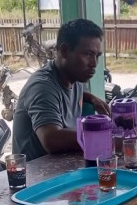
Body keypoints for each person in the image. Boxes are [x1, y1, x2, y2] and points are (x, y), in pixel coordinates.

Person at [13, 18, 110, 161]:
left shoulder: (74, 78)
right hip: (36, 177)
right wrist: (105, 135)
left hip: (61, 167)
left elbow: (63, 95)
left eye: (97, 56)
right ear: (64, 51)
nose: (94, 63)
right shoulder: (42, 86)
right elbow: (51, 139)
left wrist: (91, 98)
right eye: (88, 54)